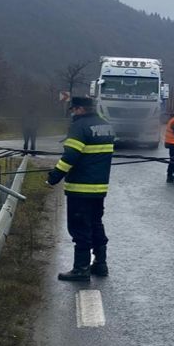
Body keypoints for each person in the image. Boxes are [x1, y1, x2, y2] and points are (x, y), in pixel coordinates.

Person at [47, 96, 115, 282]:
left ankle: (81, 269)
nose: (72, 113)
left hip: (80, 187)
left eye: (73, 110)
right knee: (95, 224)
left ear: (80, 109)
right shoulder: (106, 125)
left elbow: (70, 156)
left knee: (80, 228)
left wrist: (54, 176)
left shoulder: (79, 126)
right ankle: (100, 264)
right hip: (99, 188)